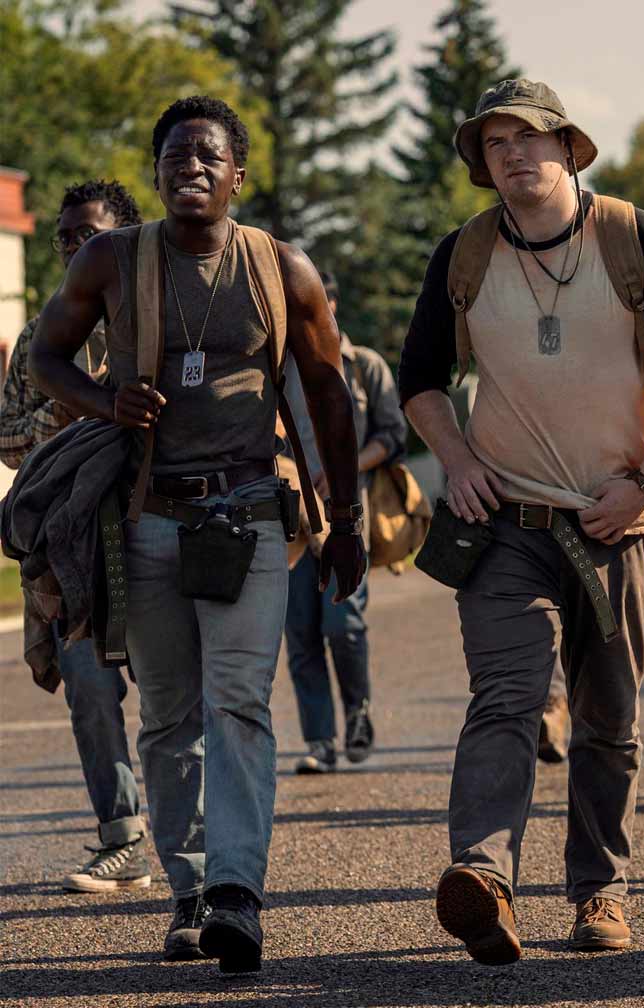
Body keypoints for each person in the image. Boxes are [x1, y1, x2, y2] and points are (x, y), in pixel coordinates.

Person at [29, 96, 367, 974]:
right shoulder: (111, 259)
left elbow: (330, 393)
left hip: (250, 512)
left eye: (209, 157)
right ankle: (185, 893)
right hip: (147, 516)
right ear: (156, 171)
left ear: (237, 176)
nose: (192, 168)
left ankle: (236, 894)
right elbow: (45, 354)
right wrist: (105, 402)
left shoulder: (281, 269)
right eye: (176, 155)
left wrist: (345, 522)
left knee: (240, 705)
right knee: (169, 715)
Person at [398, 78, 644, 963]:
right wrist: (457, 460)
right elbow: (418, 378)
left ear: (570, 147)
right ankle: (484, 878)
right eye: (493, 144)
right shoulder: (462, 254)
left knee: (608, 720)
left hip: (613, 521)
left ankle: (600, 893)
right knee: (506, 698)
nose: (512, 155)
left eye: (528, 138)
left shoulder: (632, 237)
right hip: (505, 520)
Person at [0, 179, 155, 895]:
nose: (72, 247)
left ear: (121, 237)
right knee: (91, 689)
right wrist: (77, 409)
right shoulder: (41, 334)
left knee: (171, 689)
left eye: (86, 233)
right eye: (63, 236)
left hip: (152, 524)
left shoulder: (156, 314)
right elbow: (7, 441)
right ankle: (120, 837)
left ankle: (200, 846)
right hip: (69, 543)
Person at [282, 270, 407, 774]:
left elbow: (393, 435)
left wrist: (343, 469)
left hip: (346, 514)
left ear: (330, 303)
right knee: (301, 633)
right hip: (291, 517)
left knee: (343, 624)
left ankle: (358, 714)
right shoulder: (278, 365)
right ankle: (319, 742)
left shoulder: (365, 367)